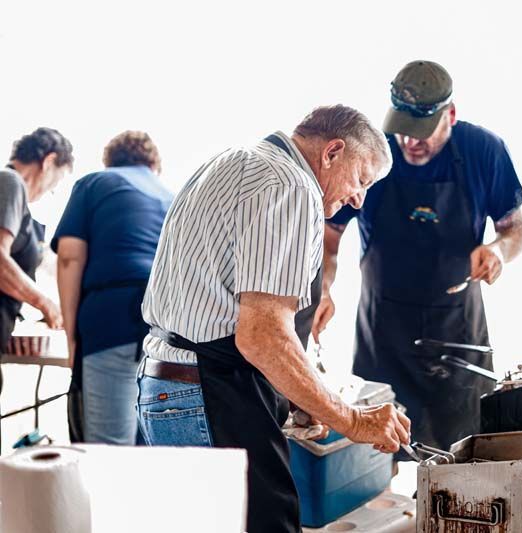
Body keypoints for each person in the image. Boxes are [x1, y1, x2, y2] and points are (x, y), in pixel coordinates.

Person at [136, 105, 410, 533]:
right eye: (362, 180)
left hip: (166, 384)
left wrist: (300, 396)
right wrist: (352, 420)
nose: (359, 199)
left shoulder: (231, 160)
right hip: (209, 391)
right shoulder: (292, 184)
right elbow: (262, 335)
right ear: (332, 152)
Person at [314, 60, 522, 451]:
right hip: (384, 335)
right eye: (403, 131)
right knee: (378, 453)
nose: (411, 143)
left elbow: (515, 229)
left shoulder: (484, 151)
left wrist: (498, 251)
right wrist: (323, 289)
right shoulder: (371, 155)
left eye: (423, 132)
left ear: (451, 115)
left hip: (459, 335)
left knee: (465, 458)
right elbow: (329, 241)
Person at [52, 131, 173, 444]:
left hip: (111, 321)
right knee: (150, 445)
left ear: (111, 159)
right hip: (168, 329)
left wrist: (71, 338)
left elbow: (68, 257)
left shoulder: (95, 183)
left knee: (110, 452)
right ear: (153, 164)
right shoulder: (170, 196)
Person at [0, 127, 73, 371]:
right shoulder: (11, 182)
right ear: (49, 162)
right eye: (57, 180)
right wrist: (45, 304)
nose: (49, 191)